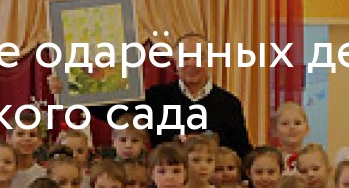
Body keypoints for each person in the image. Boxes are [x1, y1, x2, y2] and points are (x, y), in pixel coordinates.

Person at [49, 33, 254, 157]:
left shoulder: (229, 104)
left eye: (199, 57)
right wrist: (70, 89)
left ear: (210, 60)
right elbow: (111, 111)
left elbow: (242, 151)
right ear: (175, 61)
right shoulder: (157, 98)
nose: (191, 64)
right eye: (185, 57)